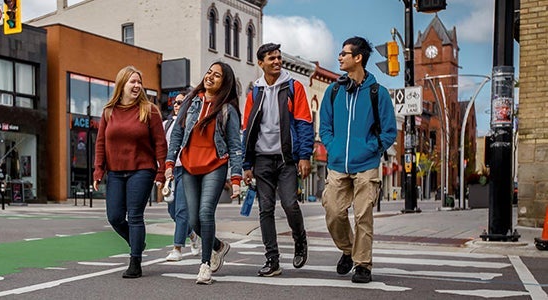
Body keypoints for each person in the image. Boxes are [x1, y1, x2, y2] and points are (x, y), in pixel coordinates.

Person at [319, 36, 397, 284]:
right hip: (337, 164)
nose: (340, 57)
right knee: (333, 212)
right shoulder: (333, 92)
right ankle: (348, 250)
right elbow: (325, 127)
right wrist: (332, 148)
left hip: (366, 165)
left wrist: (372, 149)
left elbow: (389, 131)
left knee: (363, 215)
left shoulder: (378, 93)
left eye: (344, 53)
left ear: (358, 58)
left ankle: (362, 265)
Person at [165, 61, 243, 285]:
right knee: (192, 219)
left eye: (216, 75)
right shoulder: (191, 102)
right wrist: (170, 163)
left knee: (206, 212)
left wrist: (235, 178)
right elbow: (178, 135)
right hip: (189, 166)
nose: (210, 77)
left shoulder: (227, 109)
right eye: (209, 72)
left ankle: (205, 264)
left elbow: (235, 146)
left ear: (224, 82)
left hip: (215, 166)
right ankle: (218, 246)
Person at [242, 43, 312, 277]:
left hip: (287, 159)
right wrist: (246, 163)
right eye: (271, 58)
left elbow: (303, 122)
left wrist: (304, 156)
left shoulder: (294, 87)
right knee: (265, 209)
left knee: (290, 203)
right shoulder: (255, 92)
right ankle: (272, 260)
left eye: (279, 58)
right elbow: (248, 129)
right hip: (262, 159)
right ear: (260, 63)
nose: (277, 61)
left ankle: (299, 239)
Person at [93, 66, 167, 279]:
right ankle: (138, 242)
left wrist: (161, 172)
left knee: (135, 216)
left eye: (139, 82)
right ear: (122, 84)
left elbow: (160, 143)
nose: (136, 86)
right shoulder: (109, 111)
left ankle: (135, 261)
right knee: (115, 217)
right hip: (115, 172)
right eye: (132, 82)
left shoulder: (149, 109)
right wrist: (99, 170)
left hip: (142, 170)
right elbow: (100, 143)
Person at [162, 92, 201, 262]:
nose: (177, 105)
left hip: (187, 170)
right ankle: (192, 234)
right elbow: (163, 149)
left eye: (181, 102)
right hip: (172, 171)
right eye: (175, 102)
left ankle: (177, 248)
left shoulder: (192, 122)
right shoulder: (166, 124)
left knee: (181, 210)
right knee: (172, 211)